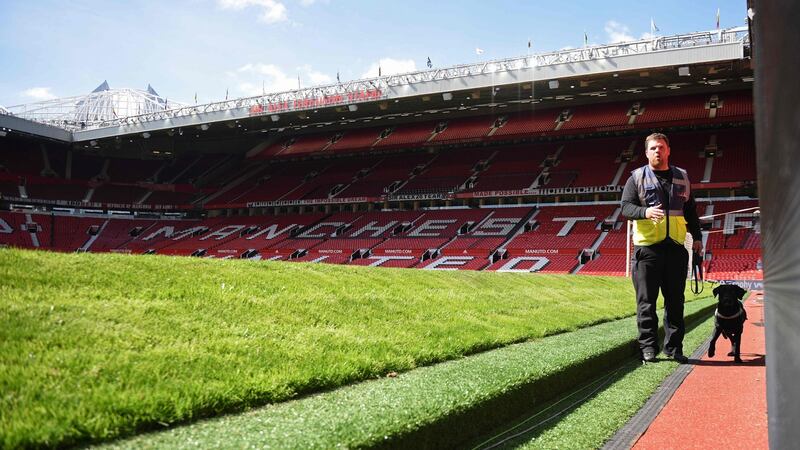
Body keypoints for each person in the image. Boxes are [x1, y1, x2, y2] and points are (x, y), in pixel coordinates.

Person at [621, 132, 703, 363]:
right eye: (653, 148)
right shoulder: (636, 177)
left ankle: (674, 348)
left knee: (675, 302)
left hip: (676, 248)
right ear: (647, 153)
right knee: (646, 302)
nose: (658, 151)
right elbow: (626, 207)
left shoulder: (683, 177)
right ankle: (648, 348)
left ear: (668, 150)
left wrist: (697, 238)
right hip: (647, 249)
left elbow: (691, 211)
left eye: (661, 147)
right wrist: (644, 212)